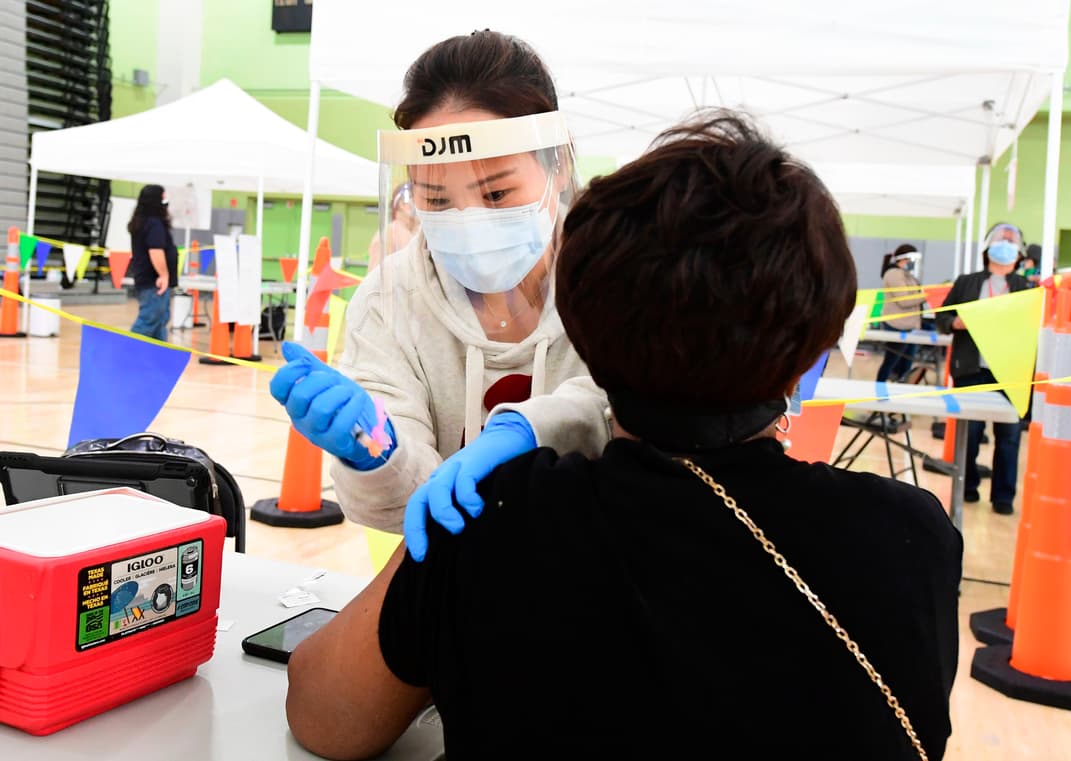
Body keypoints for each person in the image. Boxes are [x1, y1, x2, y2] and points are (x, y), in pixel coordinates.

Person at [285, 113, 961, 761]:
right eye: (436, 197)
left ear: (579, 330)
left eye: (495, 191)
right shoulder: (909, 538)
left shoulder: (494, 515)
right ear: (810, 351)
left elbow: (325, 713)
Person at [269, 31, 601, 531]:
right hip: (452, 566)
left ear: (560, 165)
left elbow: (655, 424)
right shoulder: (389, 301)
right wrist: (377, 454)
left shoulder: (617, 281)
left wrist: (542, 426)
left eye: (496, 193)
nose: (469, 220)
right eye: (437, 200)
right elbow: (404, 506)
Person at [933, 222, 1032, 516]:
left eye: (1011, 241)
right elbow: (942, 316)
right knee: (970, 433)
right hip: (971, 368)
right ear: (988, 247)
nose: (1006, 244)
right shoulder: (967, 283)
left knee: (1009, 437)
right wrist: (955, 322)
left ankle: (1003, 496)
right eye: (1001, 239)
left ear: (1019, 252)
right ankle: (967, 487)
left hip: (1011, 372)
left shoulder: (1027, 287)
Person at [126, 184, 178, 341]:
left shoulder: (143, 222)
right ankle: (126, 351)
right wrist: (164, 275)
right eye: (163, 198)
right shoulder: (153, 224)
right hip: (154, 282)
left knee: (159, 323)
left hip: (150, 281)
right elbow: (155, 251)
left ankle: (159, 354)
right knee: (148, 321)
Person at [875, 244, 927, 382]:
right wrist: (927, 295)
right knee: (891, 363)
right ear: (905, 259)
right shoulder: (894, 274)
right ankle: (879, 388)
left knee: (904, 366)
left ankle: (899, 389)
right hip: (897, 325)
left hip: (909, 325)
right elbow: (904, 301)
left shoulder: (906, 275)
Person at [365, 182, 419, 271]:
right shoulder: (390, 234)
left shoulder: (415, 234)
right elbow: (377, 274)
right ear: (403, 204)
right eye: (418, 200)